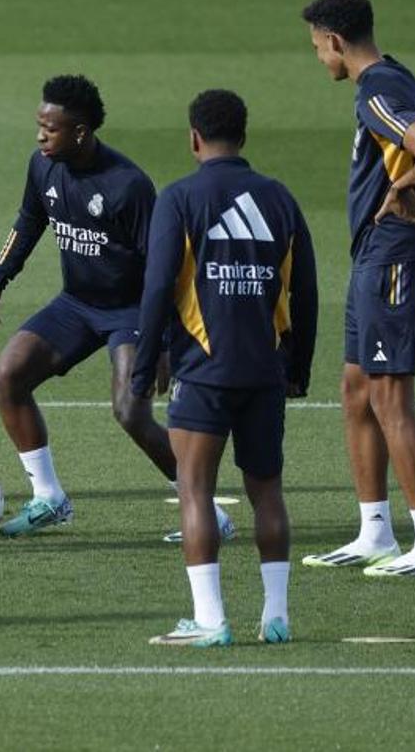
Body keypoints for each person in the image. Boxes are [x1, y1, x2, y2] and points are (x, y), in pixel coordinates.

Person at [0, 75, 235, 541]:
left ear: (80, 131)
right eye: (39, 125)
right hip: (76, 304)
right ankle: (49, 498)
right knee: (7, 376)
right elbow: (27, 222)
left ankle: (210, 513)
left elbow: (164, 271)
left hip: (131, 311)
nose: (40, 136)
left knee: (130, 413)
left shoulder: (128, 185)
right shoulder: (42, 167)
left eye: (50, 129)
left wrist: (164, 344)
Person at [135, 89, 317, 647]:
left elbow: (159, 286)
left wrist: (144, 366)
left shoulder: (181, 198)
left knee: (194, 490)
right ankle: (277, 617)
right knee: (267, 492)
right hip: (264, 372)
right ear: (243, 135)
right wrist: (298, 367)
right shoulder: (280, 198)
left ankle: (211, 621)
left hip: (203, 373)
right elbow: (305, 291)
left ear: (194, 137)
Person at [299, 0, 415, 577]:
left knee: (388, 395)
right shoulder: (392, 78)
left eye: (316, 48)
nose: (318, 59)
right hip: (372, 254)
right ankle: (374, 530)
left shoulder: (379, 89)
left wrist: (403, 189)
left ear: (334, 41)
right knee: (356, 387)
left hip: (395, 254)